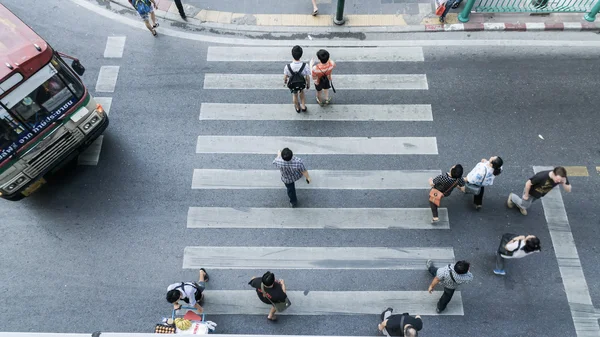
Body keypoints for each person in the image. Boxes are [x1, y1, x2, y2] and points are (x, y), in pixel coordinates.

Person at [283, 46, 311, 113]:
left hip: (293, 84)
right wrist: (308, 85)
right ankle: (303, 106)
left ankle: (297, 107)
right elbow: (307, 77)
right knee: (302, 92)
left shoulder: (288, 66)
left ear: (292, 54)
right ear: (301, 54)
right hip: (301, 83)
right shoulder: (305, 65)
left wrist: (285, 81)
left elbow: (285, 77)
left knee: (295, 95)